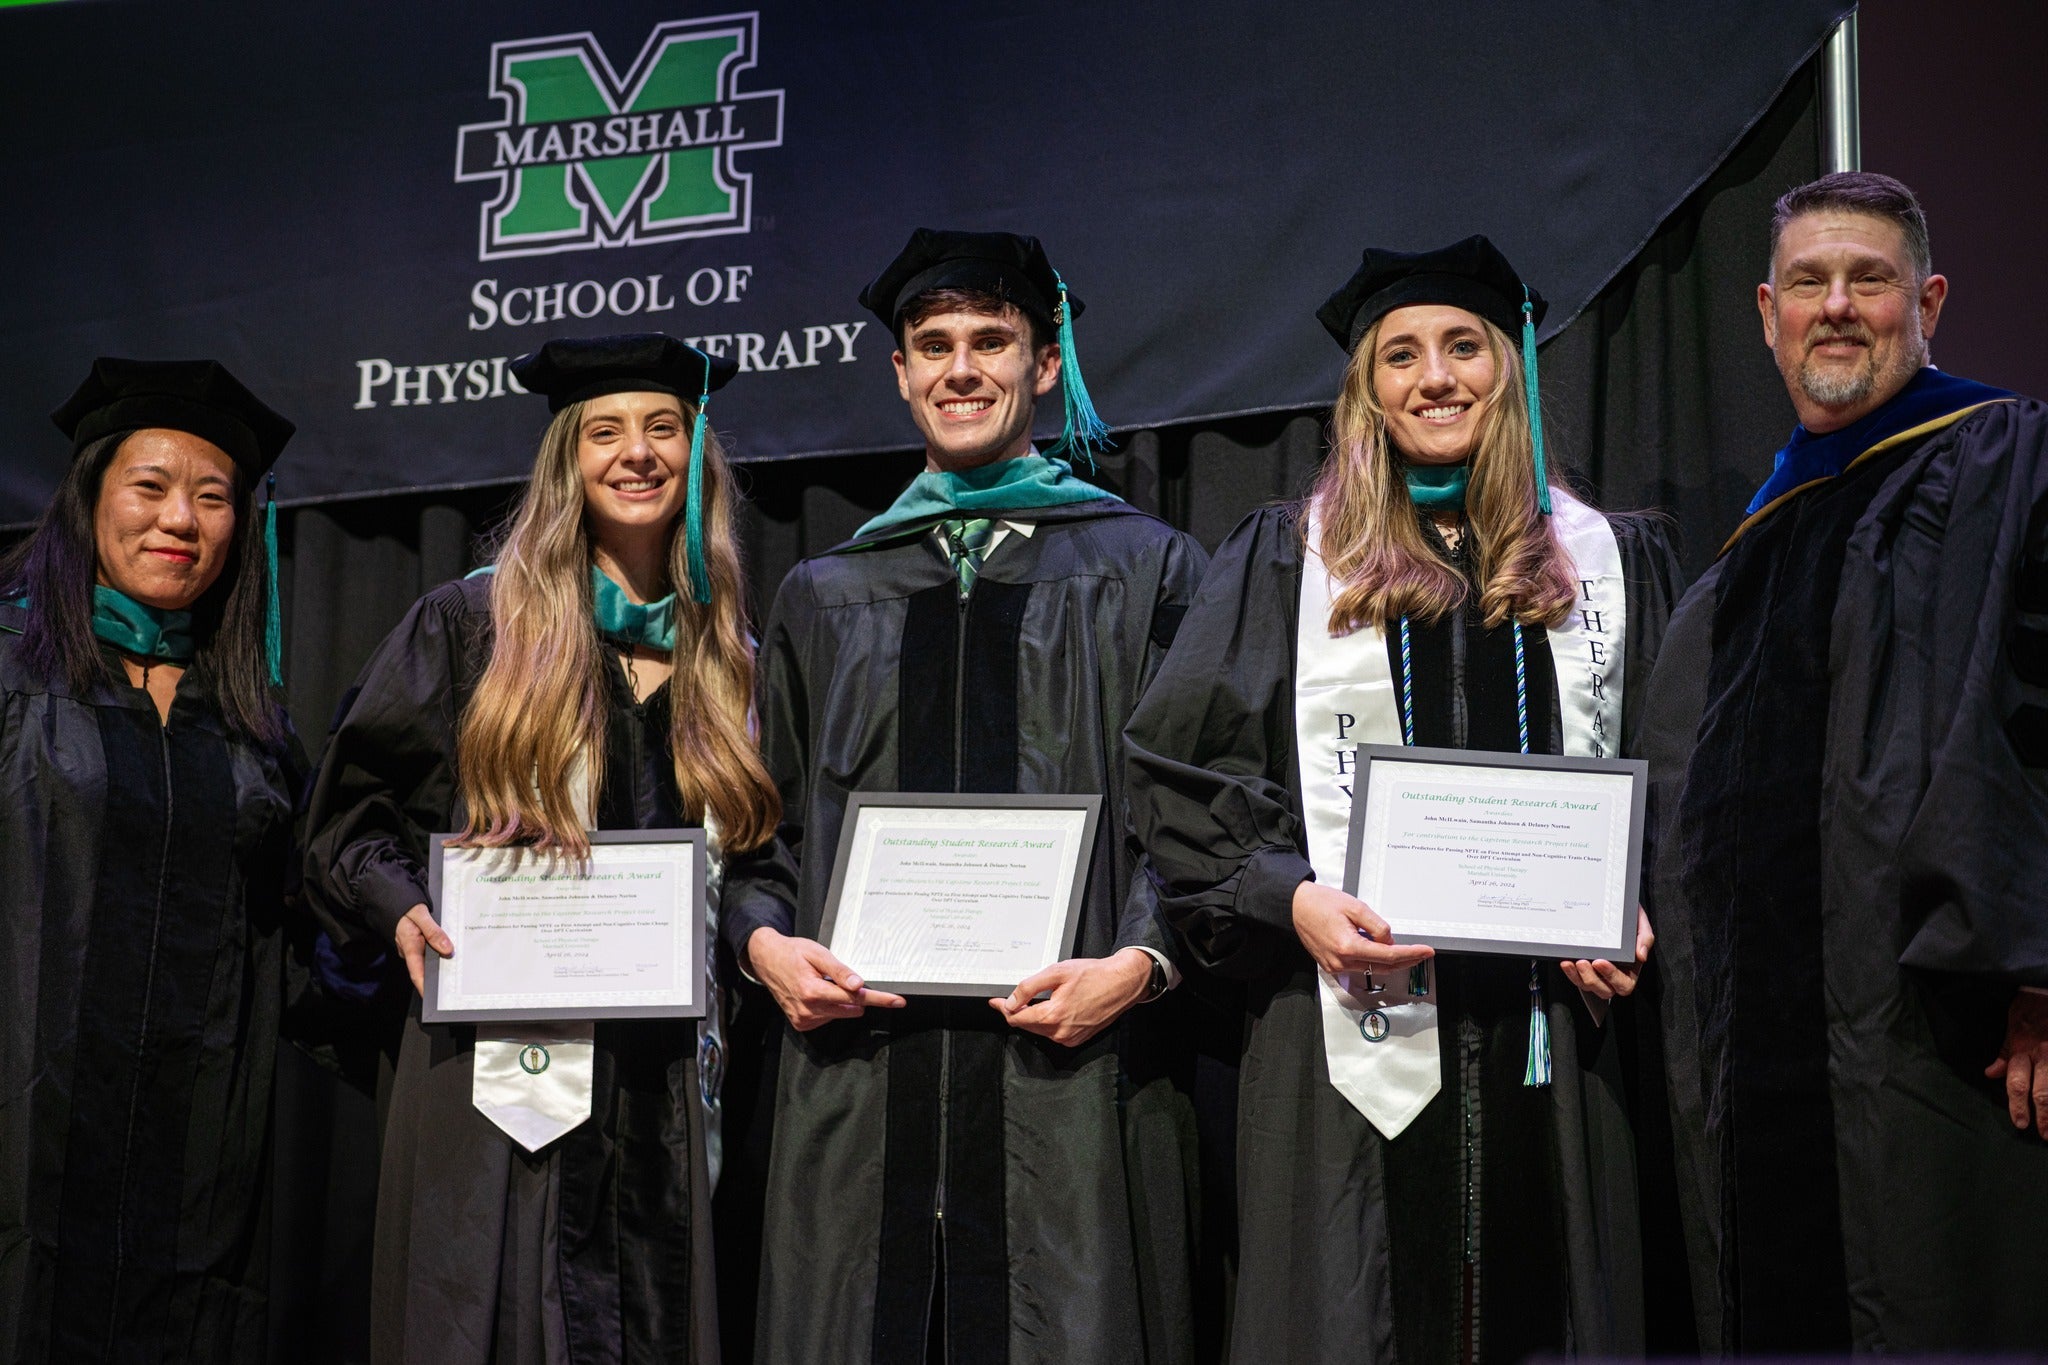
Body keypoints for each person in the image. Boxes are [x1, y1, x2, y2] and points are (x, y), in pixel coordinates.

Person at [1124, 236, 1679, 1364]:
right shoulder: (1288, 561)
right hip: (1344, 1040)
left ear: (1506, 368)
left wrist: (1629, 897)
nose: (1435, 378)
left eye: (1463, 347)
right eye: (1400, 356)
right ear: (1364, 391)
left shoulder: (1603, 564)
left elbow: (1673, 770)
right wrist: (1290, 900)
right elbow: (1180, 772)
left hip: (1556, 1041)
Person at [721, 229, 1209, 1363]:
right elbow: (759, 840)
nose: (958, 368)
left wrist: (1136, 968)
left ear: (1044, 365)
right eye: (930, 345)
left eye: (990, 341)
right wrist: (764, 948)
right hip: (859, 1082)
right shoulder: (823, 594)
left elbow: (1195, 821)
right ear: (897, 371)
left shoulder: (1144, 572)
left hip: (1073, 1072)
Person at [302, 333, 793, 1363]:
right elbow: (354, 815)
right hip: (499, 1084)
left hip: (668, 1089)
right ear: (566, 462)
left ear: (697, 457)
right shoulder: (476, 625)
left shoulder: (732, 660)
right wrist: (398, 907)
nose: (637, 453)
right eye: (603, 432)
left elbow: (759, 857)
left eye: (664, 428)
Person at [1641, 171, 2048, 1352]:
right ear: (1764, 315)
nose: (1835, 305)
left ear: (1924, 300)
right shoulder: (1747, 547)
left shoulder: (2005, 463)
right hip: (1757, 1059)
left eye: (1866, 279)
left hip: (1941, 1038)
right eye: (1807, 282)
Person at [0, 358, 301, 1362]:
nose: (181, 519)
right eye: (152, 486)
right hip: (23, 1140)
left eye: (213, 498)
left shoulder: (254, 724)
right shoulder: (12, 675)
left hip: (198, 1171)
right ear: (90, 498)